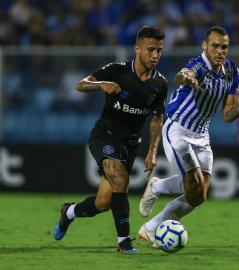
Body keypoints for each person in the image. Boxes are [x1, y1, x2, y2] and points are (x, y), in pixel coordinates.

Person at [53, 25, 168, 253]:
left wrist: (153, 150)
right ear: (137, 48)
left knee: (103, 202)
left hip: (130, 144)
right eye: (151, 49)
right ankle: (123, 242)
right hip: (104, 135)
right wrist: (100, 85)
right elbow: (81, 84)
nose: (155, 55)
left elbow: (157, 118)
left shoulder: (160, 85)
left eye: (159, 51)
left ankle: (69, 212)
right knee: (121, 177)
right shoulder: (117, 70)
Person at [137, 26, 239, 245]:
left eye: (224, 47)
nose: (220, 51)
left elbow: (227, 115)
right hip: (178, 130)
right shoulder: (198, 65)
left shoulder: (232, 72)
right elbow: (183, 74)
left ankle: (151, 225)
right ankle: (157, 190)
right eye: (215, 46)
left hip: (202, 137)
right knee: (193, 183)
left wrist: (238, 109)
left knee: (199, 196)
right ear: (205, 46)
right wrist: (188, 78)